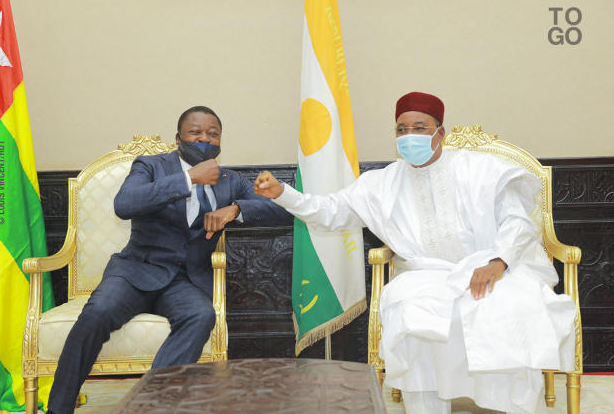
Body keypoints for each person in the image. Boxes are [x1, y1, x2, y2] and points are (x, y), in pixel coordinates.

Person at [254, 92, 577, 414]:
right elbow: (331, 211)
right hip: (425, 274)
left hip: (492, 267)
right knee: (410, 312)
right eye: (401, 129)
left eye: (419, 127)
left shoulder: (483, 168)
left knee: (512, 306)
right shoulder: (380, 183)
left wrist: (498, 262)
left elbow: (517, 220)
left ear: (440, 132)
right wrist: (283, 194)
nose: (409, 136)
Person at [47, 106, 293, 414]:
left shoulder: (229, 180)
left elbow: (283, 209)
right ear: (178, 139)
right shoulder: (151, 166)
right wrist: (189, 178)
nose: (204, 139)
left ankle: (148, 404)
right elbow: (125, 204)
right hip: (135, 271)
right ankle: (58, 408)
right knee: (96, 313)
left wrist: (235, 209)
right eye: (195, 132)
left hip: (184, 281)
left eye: (213, 134)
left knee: (201, 316)